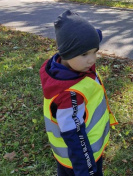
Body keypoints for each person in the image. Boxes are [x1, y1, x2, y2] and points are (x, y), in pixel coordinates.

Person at [40, 10, 118, 176]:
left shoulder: (74, 67)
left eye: (94, 51)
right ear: (67, 54)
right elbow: (74, 136)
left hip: (79, 156)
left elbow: (87, 42)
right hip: (80, 161)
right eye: (84, 54)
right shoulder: (69, 94)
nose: (92, 59)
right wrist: (86, 170)